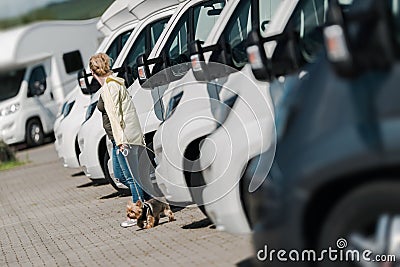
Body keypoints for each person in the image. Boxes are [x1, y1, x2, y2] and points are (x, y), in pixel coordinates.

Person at [89, 53, 147, 228]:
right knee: (120, 174)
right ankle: (147, 199)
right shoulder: (111, 84)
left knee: (130, 177)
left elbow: (115, 116)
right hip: (119, 138)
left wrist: (121, 141)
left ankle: (139, 213)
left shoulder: (110, 88)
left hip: (123, 138)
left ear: (94, 71)